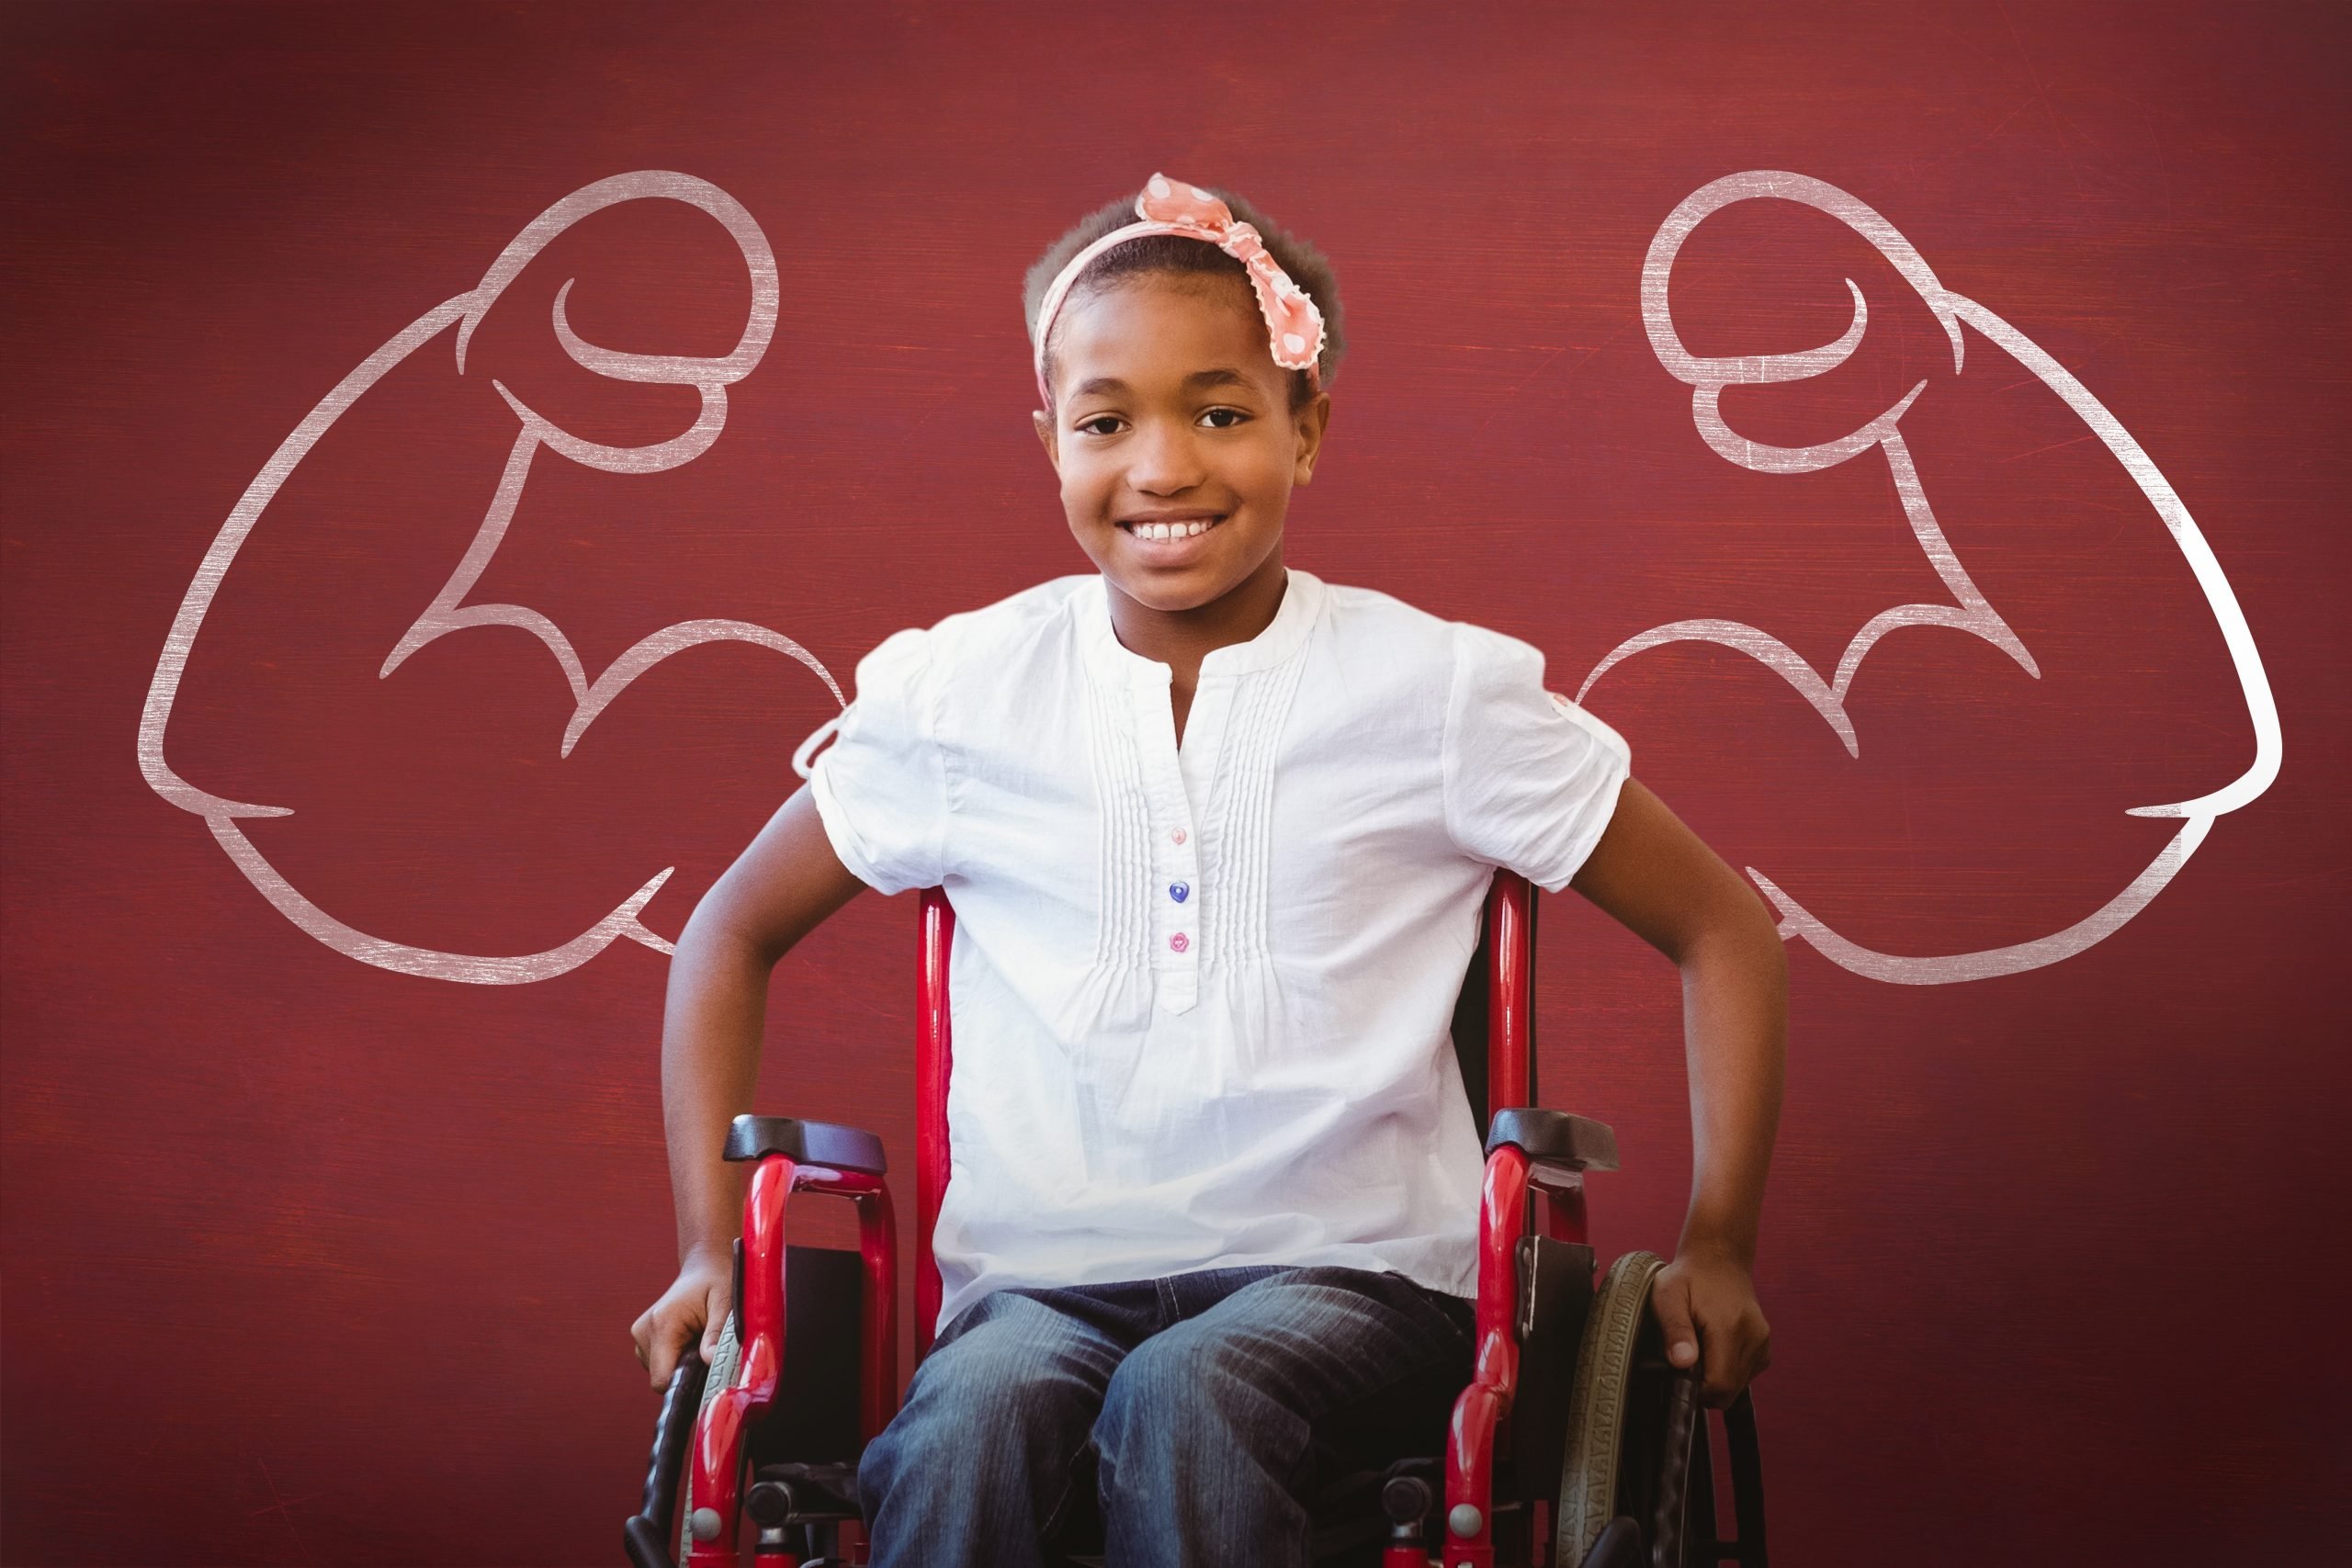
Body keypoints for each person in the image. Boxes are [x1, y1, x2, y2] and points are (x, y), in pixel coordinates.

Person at [629, 173, 1786, 1567]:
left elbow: (1721, 925)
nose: (1164, 466)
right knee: (967, 1426)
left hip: (1356, 1280)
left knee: (1190, 1395)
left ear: (1308, 434)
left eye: (1223, 413)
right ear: (1050, 440)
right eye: (1108, 422)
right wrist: (711, 1246)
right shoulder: (962, 694)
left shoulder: (1431, 689)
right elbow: (730, 934)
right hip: (1039, 1289)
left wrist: (1718, 1237)